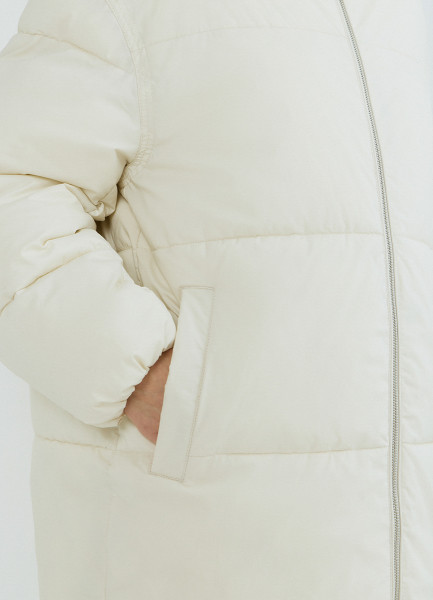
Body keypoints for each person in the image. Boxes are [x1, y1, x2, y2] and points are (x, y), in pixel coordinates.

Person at [0, 1, 432, 598]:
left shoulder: (399, 18)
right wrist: (138, 372)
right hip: (204, 523)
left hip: (399, 538)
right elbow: (14, 189)